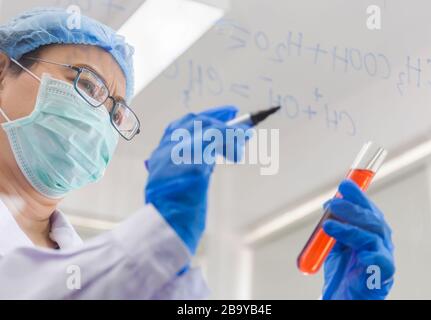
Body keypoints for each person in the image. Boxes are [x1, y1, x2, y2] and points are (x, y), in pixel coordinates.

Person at [0, 7, 394, 299]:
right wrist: (161, 230)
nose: (100, 118)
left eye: (115, 111)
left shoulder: (96, 266)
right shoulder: (112, 267)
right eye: (87, 85)